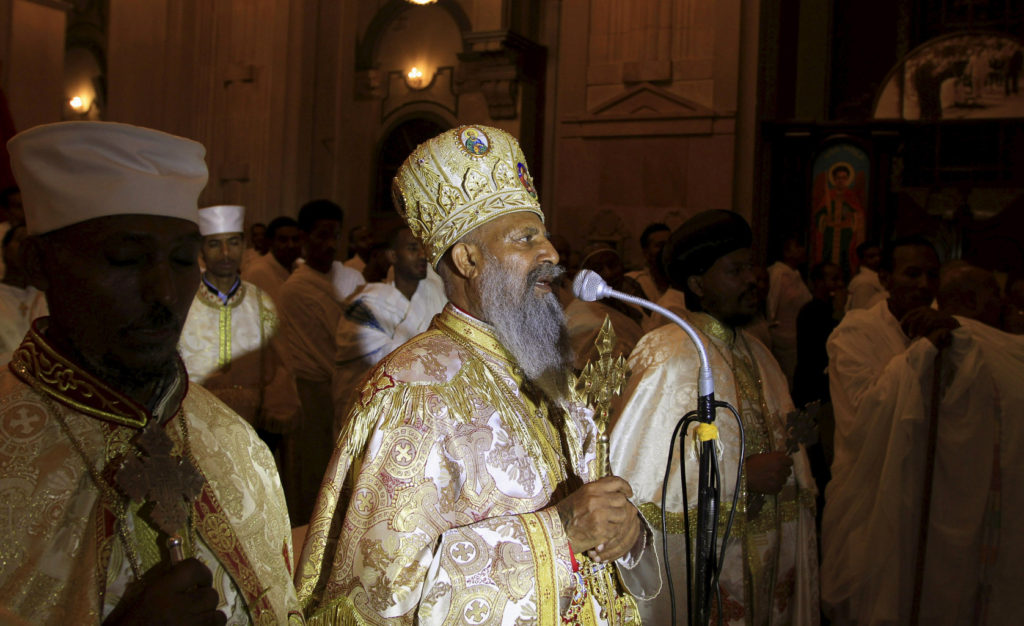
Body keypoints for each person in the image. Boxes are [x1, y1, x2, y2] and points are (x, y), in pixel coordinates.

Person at [295, 125, 659, 624]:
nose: (550, 253)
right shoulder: (412, 393)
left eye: (545, 236)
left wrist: (627, 531)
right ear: (467, 259)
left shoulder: (552, 375)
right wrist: (561, 535)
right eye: (526, 238)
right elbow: (377, 597)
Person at [0, 121, 301, 623]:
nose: (163, 293)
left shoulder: (236, 444)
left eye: (183, 260)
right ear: (37, 263)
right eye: (125, 259)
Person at [611, 210, 819, 626]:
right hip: (707, 570)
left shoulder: (759, 353)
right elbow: (636, 479)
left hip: (769, 556)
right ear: (697, 284)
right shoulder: (668, 353)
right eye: (735, 270)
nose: (752, 279)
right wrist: (740, 480)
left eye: (751, 267)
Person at [822, 236, 1024, 624]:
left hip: (939, 491)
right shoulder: (855, 333)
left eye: (932, 274)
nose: (923, 283)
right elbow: (863, 415)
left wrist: (954, 339)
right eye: (911, 273)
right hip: (874, 485)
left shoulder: (953, 326)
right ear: (885, 277)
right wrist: (922, 351)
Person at [178, 204, 299, 453]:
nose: (225, 253)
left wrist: (275, 413)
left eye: (233, 243)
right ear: (201, 249)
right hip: (195, 422)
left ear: (243, 247)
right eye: (214, 244)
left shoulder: (259, 300)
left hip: (250, 425)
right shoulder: (184, 300)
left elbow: (280, 362)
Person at [332, 225, 446, 432]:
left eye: (424, 249)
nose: (422, 256)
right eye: (413, 248)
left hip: (423, 415)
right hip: (372, 413)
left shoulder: (439, 297)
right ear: (393, 255)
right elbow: (366, 358)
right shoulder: (368, 303)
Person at [277, 199, 347, 521]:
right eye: (321, 236)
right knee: (314, 473)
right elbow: (335, 341)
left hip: (336, 388)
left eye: (334, 235)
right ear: (304, 238)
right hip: (311, 392)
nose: (329, 244)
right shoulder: (297, 288)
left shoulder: (338, 279)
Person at [565, 246, 644, 371]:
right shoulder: (580, 314)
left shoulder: (628, 303)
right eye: (598, 269)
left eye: (612, 265)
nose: (608, 273)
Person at [767, 235, 812, 387]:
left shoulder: (795, 274)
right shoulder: (778, 273)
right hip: (782, 336)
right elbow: (771, 301)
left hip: (795, 337)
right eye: (797, 247)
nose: (802, 250)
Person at [0, 222, 47, 363]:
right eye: (21, 241)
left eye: (32, 245)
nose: (26, 249)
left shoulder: (46, 297)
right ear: (4, 249)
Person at [242, 215, 302, 305]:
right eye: (283, 240)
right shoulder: (257, 271)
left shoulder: (299, 267)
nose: (291, 245)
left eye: (295, 239)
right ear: (270, 242)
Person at [626, 222, 670, 303]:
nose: (666, 249)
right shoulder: (634, 281)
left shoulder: (681, 280)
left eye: (669, 244)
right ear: (646, 252)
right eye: (660, 245)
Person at [845, 241, 886, 310]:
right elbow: (860, 311)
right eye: (871, 256)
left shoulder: (877, 276)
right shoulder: (863, 281)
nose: (877, 259)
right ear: (861, 259)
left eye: (879, 255)